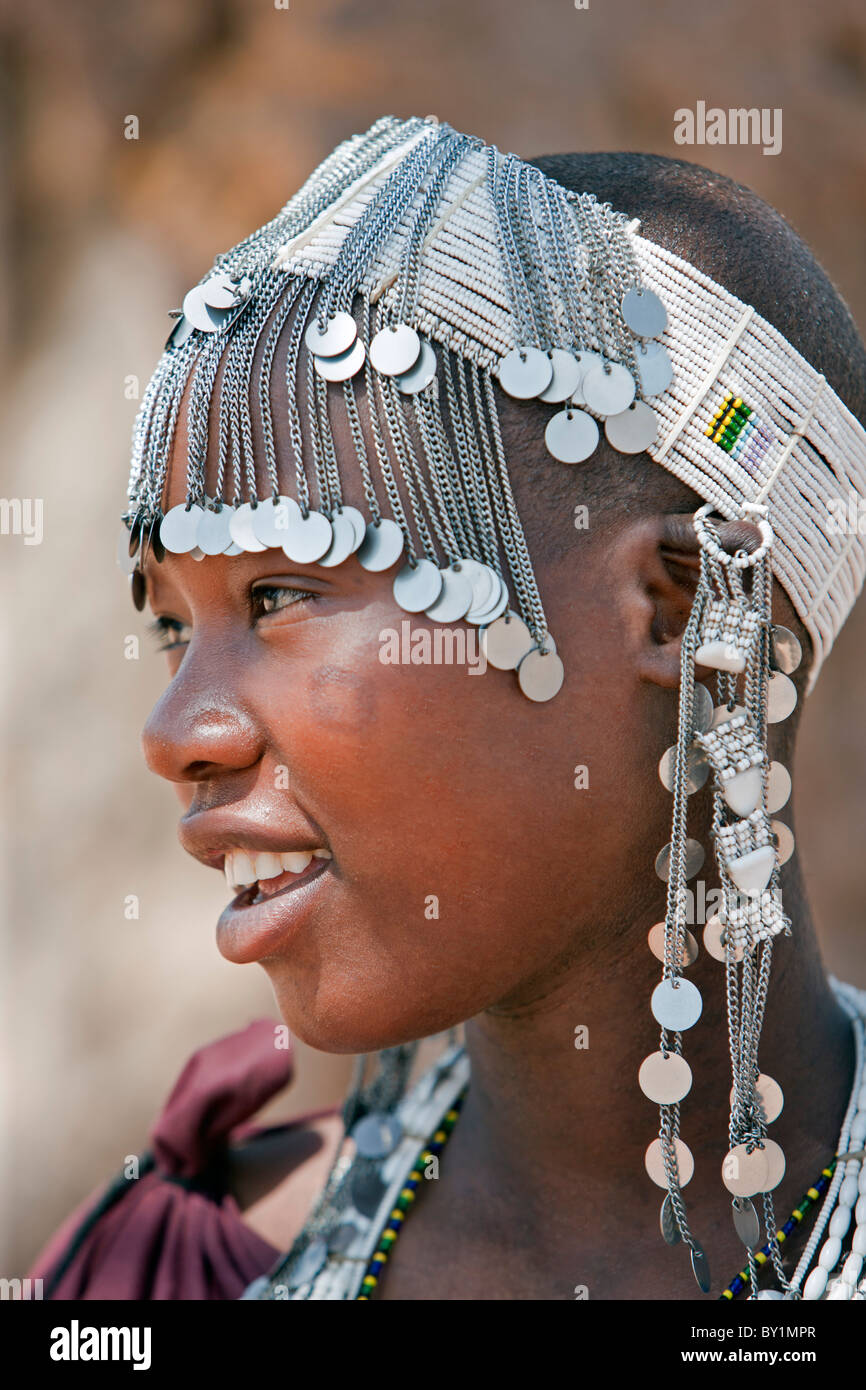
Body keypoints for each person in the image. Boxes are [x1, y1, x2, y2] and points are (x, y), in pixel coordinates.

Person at [29, 116, 866, 1301]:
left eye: (278, 593)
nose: (175, 734)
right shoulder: (181, 1269)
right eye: (174, 626)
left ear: (676, 615)